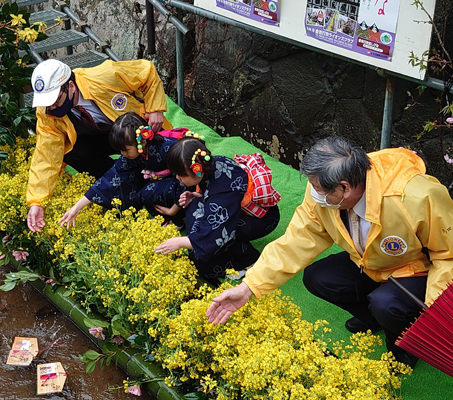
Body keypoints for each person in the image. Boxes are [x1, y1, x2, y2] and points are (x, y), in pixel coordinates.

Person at [206, 136, 453, 367]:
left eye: (319, 189)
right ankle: (374, 318)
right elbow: (297, 240)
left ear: (344, 188)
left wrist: (435, 310)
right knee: (318, 277)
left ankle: (405, 346)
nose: (313, 194)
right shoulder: (325, 191)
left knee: (387, 304)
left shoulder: (417, 195)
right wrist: (249, 287)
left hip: (415, 269)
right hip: (370, 262)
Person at [25, 59, 172, 232]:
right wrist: (37, 201)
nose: (51, 107)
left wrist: (155, 109)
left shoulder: (104, 76)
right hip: (95, 137)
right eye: (46, 102)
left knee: (161, 156)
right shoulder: (47, 112)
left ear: (71, 86)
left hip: (130, 131)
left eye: (56, 100)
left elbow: (146, 71)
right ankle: (117, 181)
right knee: (70, 151)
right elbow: (46, 154)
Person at [154, 136, 281, 283]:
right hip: (235, 207)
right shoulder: (215, 162)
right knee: (194, 207)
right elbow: (211, 193)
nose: (177, 178)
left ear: (197, 171)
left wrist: (181, 242)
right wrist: (196, 195)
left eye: (181, 175)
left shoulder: (223, 191)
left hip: (262, 220)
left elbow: (219, 232)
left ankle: (248, 260)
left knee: (202, 259)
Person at [58, 112, 187, 227]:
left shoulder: (168, 149)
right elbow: (109, 178)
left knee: (148, 192)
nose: (122, 153)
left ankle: (177, 219)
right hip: (160, 180)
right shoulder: (135, 154)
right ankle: (162, 215)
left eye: (125, 150)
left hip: (184, 186)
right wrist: (77, 207)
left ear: (142, 142)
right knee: (125, 182)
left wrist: (174, 209)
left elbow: (187, 181)